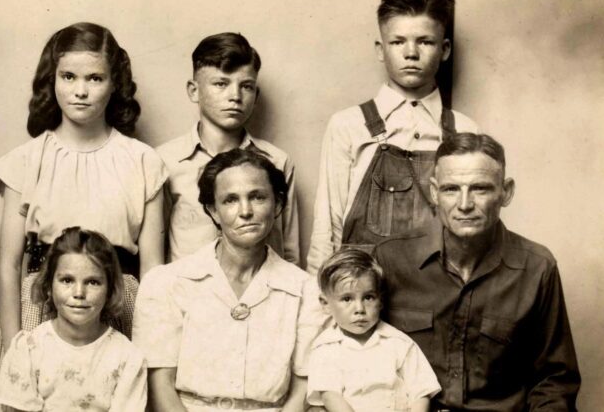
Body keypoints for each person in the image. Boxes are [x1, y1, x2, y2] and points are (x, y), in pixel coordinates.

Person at [0, 22, 166, 408]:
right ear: (52, 80)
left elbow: (153, 271)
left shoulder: (143, 161)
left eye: (95, 78)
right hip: (42, 304)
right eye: (68, 77)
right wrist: (15, 343)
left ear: (114, 83)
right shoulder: (26, 160)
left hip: (120, 305)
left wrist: (149, 347)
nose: (81, 90)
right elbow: (8, 265)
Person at [374, 133, 581, 410]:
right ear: (434, 193)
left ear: (505, 192)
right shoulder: (390, 259)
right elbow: (356, 353)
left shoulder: (537, 267)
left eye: (480, 189)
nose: (464, 204)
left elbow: (554, 381)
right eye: (450, 189)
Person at [133, 149, 320, 412]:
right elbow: (160, 382)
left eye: (257, 197)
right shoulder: (166, 283)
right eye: (231, 200)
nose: (245, 211)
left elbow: (304, 384)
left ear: (277, 204)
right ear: (213, 210)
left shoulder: (306, 291)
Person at [307, 0, 480, 273]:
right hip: (363, 297)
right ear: (380, 49)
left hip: (439, 293)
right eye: (398, 41)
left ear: (445, 49)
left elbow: (474, 232)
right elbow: (328, 227)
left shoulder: (465, 130)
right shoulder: (348, 125)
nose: (411, 53)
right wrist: (321, 299)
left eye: (425, 41)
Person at [157, 32, 300, 265]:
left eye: (246, 86)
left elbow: (289, 253)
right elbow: (155, 253)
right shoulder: (164, 161)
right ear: (194, 91)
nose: (235, 96)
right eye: (221, 84)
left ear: (256, 95)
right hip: (188, 296)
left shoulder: (277, 161)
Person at [0, 227, 146, 411]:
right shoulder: (28, 349)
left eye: (92, 282)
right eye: (67, 280)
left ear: (110, 290)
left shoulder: (127, 357)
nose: (79, 293)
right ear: (49, 285)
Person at [307, 248, 440, 412]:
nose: (360, 309)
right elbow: (331, 397)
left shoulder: (399, 343)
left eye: (368, 297)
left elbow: (421, 392)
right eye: (347, 299)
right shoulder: (325, 348)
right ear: (325, 303)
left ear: (381, 300)